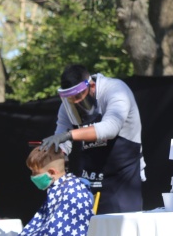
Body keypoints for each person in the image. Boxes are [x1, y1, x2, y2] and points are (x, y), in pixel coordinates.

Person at [40, 65, 144, 214]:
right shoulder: (66, 107)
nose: (75, 103)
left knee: (121, 232)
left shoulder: (116, 90)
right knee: (90, 234)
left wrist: (70, 135)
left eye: (78, 97)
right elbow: (61, 142)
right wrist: (49, 159)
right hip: (89, 180)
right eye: (70, 100)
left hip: (122, 178)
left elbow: (110, 128)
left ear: (92, 86)